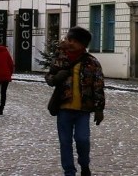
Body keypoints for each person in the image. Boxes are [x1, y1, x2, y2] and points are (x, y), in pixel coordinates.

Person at [45, 26, 105, 176]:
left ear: (82, 44)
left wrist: (99, 109)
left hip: (83, 110)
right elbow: (49, 77)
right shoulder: (61, 59)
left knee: (82, 139)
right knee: (65, 142)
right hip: (63, 108)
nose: (69, 42)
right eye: (68, 39)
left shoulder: (92, 62)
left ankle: (84, 165)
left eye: (72, 40)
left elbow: (98, 86)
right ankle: (69, 171)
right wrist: (55, 78)